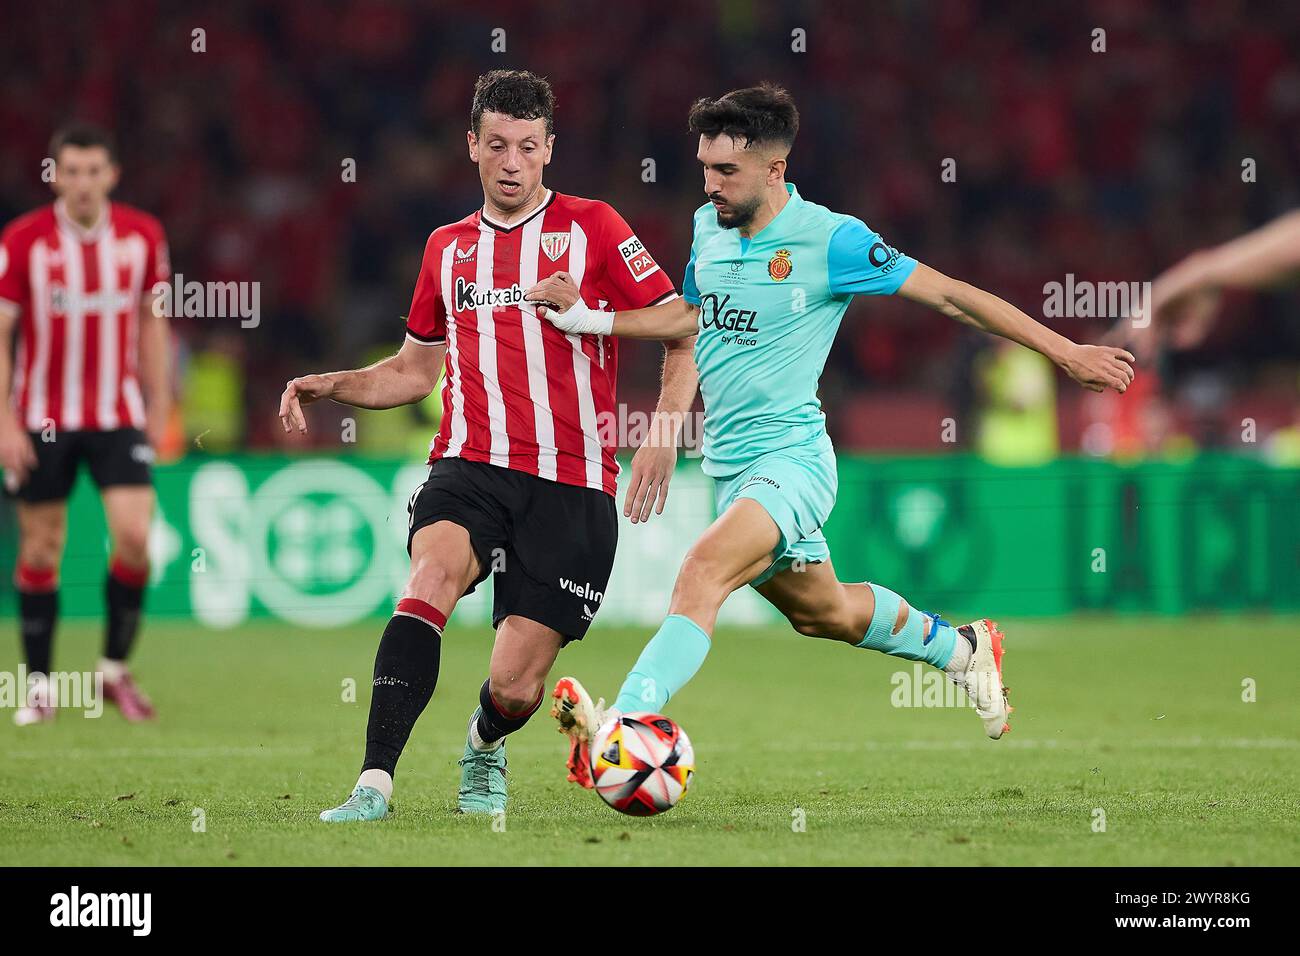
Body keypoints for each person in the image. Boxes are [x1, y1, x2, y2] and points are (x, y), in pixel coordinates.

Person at [525, 84, 1135, 785]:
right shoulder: (707, 228)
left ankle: (620, 725)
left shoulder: (832, 240)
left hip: (792, 462)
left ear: (775, 170)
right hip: (730, 467)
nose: (709, 185)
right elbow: (690, 323)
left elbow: (951, 295)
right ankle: (962, 648)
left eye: (725, 172)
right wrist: (603, 340)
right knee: (827, 613)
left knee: (700, 573)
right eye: (703, 168)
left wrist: (1065, 353)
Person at [278, 70, 692, 820]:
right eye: (496, 145)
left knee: (515, 686)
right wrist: (332, 383)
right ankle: (374, 784)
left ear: (548, 150)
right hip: (470, 464)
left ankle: (484, 742)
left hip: (572, 483)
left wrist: (662, 434)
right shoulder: (446, 249)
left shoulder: (595, 227)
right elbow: (413, 370)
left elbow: (679, 323)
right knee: (428, 580)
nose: (510, 162)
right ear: (471, 146)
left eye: (527, 147)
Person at [0, 123, 172, 724]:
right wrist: (4, 421)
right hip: (40, 417)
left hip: (116, 415)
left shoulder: (143, 236)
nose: (81, 183)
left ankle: (112, 671)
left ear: (111, 174)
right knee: (42, 549)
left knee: (133, 538)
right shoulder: (23, 241)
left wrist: (159, 405)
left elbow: (153, 325)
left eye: (92, 171)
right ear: (54, 176)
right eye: (69, 171)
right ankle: (41, 686)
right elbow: (1, 334)